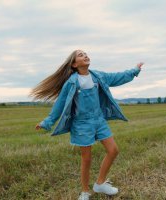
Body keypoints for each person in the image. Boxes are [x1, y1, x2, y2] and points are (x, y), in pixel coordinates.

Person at [30, 50, 143, 200]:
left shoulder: (98, 76)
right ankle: (84, 192)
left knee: (113, 150)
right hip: (82, 124)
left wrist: (134, 71)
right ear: (75, 64)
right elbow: (60, 104)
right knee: (86, 158)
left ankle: (100, 183)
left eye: (85, 53)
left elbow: (117, 77)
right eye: (81, 55)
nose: (85, 55)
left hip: (99, 120)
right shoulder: (71, 82)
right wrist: (47, 121)